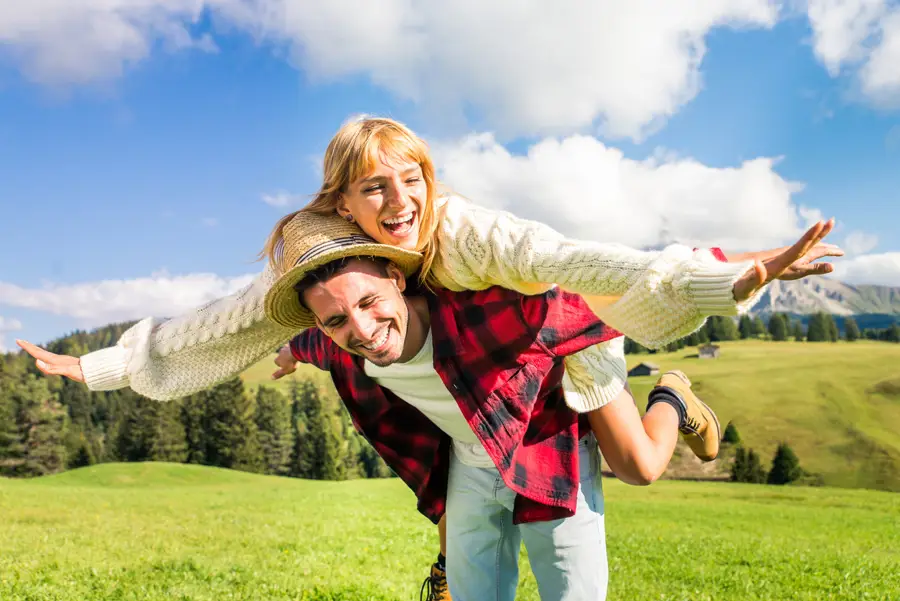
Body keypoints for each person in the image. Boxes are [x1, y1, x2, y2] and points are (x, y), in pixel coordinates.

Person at [16, 117, 841, 600]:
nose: (401, 202)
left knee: (639, 465)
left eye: (412, 179)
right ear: (341, 202)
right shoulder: (331, 272)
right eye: (375, 188)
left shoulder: (470, 234)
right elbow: (220, 327)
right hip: (482, 407)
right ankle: (461, 547)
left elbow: (594, 264)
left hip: (560, 337)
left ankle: (674, 389)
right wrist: (98, 367)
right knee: (471, 477)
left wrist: (737, 270)